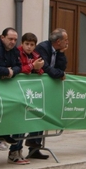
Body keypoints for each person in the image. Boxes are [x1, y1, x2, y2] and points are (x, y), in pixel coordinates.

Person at [25, 28, 69, 159]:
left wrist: (61, 54)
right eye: (65, 40)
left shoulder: (58, 50)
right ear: (58, 41)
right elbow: (46, 67)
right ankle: (30, 143)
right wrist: (59, 74)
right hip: (35, 87)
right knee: (35, 115)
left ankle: (35, 148)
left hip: (46, 89)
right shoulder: (43, 48)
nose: (67, 42)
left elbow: (62, 67)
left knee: (42, 116)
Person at [0, 27, 25, 162]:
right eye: (10, 39)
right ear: (2, 38)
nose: (13, 42)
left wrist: (12, 71)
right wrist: (4, 71)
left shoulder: (14, 51)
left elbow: (19, 66)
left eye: (15, 39)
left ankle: (6, 134)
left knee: (13, 111)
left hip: (8, 87)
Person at [8, 32, 45, 165]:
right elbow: (19, 69)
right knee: (19, 124)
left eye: (32, 45)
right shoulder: (17, 54)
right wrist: (32, 67)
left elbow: (40, 71)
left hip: (30, 94)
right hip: (18, 92)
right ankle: (13, 152)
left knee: (25, 123)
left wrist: (38, 68)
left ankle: (19, 151)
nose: (29, 47)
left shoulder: (36, 56)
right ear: (22, 44)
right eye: (26, 44)